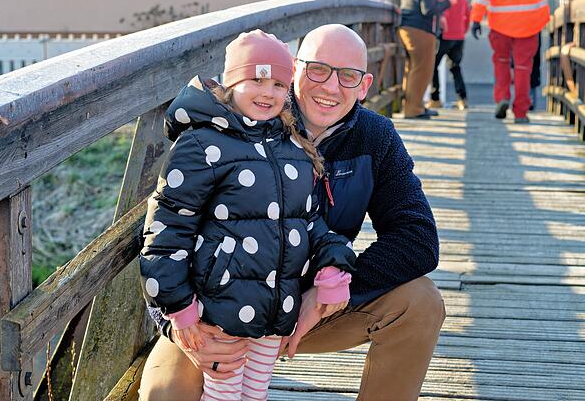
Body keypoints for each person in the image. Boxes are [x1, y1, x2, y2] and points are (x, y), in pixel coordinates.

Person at [140, 24, 444, 401]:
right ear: (294, 68)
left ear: (364, 86)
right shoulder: (235, 127)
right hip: (219, 311)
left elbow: (418, 239)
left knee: (420, 303)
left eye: (348, 76)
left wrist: (324, 292)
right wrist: (175, 325)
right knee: (164, 391)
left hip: (314, 304)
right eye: (318, 69)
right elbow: (164, 231)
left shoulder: (375, 138)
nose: (331, 87)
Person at [470, 0, 561, 123]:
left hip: (500, 27)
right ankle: (520, 112)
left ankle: (502, 97)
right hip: (529, 26)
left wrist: (476, 19)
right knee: (523, 68)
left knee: (501, 62)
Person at [398, 0, 457, 119]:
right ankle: (414, 109)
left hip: (405, 27)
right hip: (421, 30)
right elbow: (428, 10)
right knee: (422, 70)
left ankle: (410, 105)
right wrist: (447, 2)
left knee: (411, 69)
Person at [429, 0, 471, 110]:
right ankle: (462, 99)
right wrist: (463, 30)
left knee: (433, 66)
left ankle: (435, 99)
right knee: (455, 67)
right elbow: (468, 14)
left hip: (444, 35)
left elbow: (436, 12)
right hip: (458, 36)